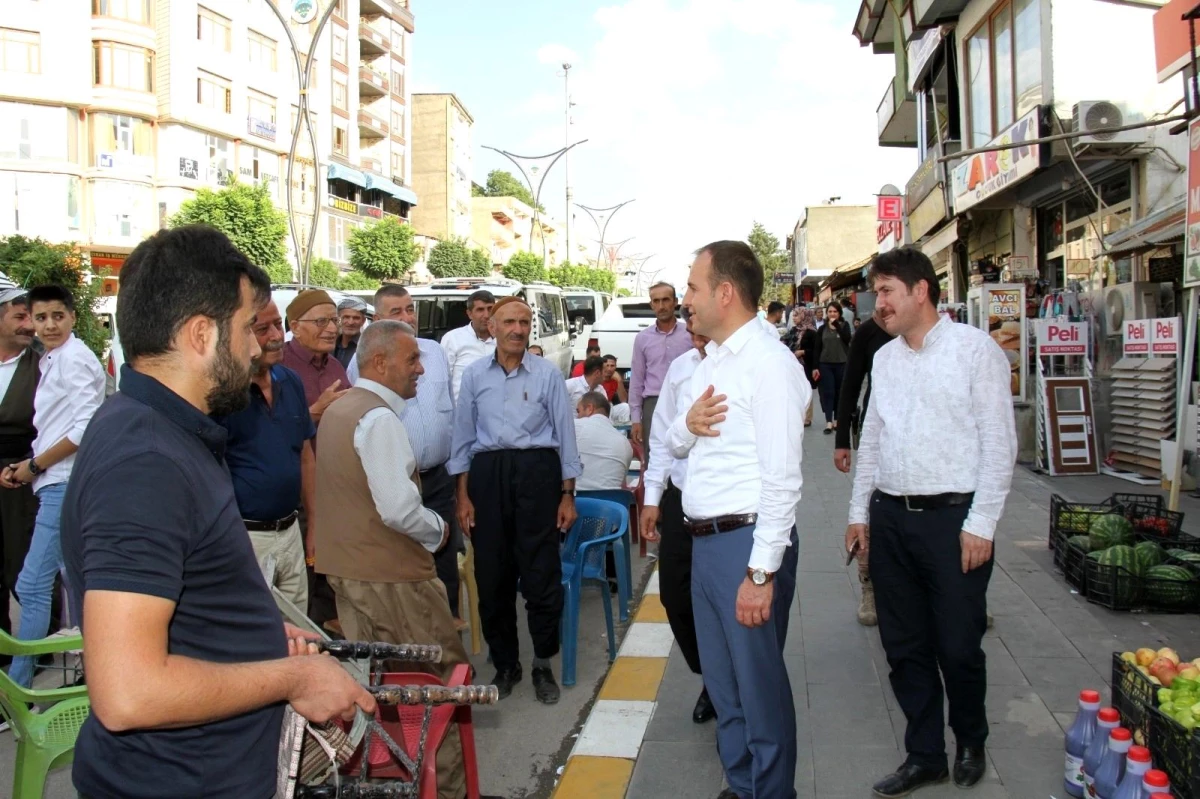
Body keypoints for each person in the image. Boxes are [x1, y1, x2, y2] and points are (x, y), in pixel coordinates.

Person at [60, 225, 374, 799]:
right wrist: (294, 675)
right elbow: (128, 691)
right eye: (245, 328)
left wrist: (244, 634)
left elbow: (178, 602)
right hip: (183, 780)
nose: (257, 347)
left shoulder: (163, 430)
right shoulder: (145, 461)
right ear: (202, 335)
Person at [845, 247, 1016, 797]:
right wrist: (858, 514)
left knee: (959, 643)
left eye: (888, 290)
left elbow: (998, 443)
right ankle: (925, 755)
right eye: (876, 292)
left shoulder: (976, 352)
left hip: (953, 522)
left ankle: (970, 739)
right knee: (904, 644)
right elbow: (871, 438)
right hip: (890, 518)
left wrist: (982, 523)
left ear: (922, 290)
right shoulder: (886, 358)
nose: (879, 303)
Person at [667, 241, 807, 799]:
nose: (685, 300)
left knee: (758, 691)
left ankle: (772, 792)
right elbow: (676, 442)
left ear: (725, 293)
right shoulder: (715, 362)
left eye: (693, 288)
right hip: (705, 541)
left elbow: (783, 479)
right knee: (725, 689)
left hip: (746, 542)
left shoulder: (768, 365)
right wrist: (685, 426)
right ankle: (743, 783)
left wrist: (760, 574)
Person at [315, 320, 469, 799]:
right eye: (412, 360)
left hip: (353, 574)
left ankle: (399, 782)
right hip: (393, 579)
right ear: (379, 362)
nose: (420, 369)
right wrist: (439, 531)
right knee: (434, 688)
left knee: (378, 690)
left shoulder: (340, 409)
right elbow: (399, 509)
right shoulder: (378, 418)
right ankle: (444, 789)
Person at [449, 296, 581, 704]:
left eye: (524, 322)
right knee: (492, 576)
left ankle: (542, 661)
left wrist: (567, 495)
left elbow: (566, 437)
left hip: (537, 475)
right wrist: (463, 497)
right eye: (509, 321)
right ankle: (506, 663)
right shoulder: (474, 376)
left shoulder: (547, 375)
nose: (518, 329)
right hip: (488, 477)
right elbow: (462, 440)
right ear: (492, 327)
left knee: (541, 575)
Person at [2, 285, 106, 688]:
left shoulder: (74, 359)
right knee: (74, 579)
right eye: (40, 317)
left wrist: (34, 465)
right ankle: (87, 676)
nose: (48, 325)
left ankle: (19, 688)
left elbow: (85, 427)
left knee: (32, 584)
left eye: (56, 316)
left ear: (73, 317)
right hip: (53, 480)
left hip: (63, 481)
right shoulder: (52, 358)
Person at [347, 285, 462, 619]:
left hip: (438, 480)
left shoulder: (435, 352)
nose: (407, 318)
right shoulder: (364, 362)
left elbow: (449, 412)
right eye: (396, 312)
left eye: (410, 310)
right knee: (404, 566)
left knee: (444, 567)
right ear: (377, 321)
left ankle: (448, 647)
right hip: (396, 481)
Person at [218, 299, 315, 610]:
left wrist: (314, 524)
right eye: (263, 328)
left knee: (298, 633)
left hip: (291, 533)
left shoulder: (291, 381)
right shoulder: (222, 395)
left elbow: (305, 456)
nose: (277, 335)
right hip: (246, 539)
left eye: (279, 324)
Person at [640, 313, 713, 724]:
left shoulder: (746, 363)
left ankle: (722, 686)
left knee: (722, 604)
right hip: (680, 499)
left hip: (729, 508)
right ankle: (709, 673)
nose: (695, 329)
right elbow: (662, 437)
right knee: (674, 595)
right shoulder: (681, 370)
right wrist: (653, 497)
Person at [0, 287, 41, 666]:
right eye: (19, 317)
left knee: (26, 565)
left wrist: (28, 466)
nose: (30, 325)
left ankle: (39, 645)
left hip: (23, 477)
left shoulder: (41, 363)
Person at [629, 282, 691, 454]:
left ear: (675, 302)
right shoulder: (642, 338)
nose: (661, 306)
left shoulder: (690, 334)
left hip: (685, 401)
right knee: (654, 454)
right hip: (653, 404)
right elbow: (637, 380)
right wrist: (636, 419)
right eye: (656, 301)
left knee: (686, 454)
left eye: (665, 300)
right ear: (651, 304)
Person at [283, 289, 350, 427]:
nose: (333, 329)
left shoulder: (335, 366)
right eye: (321, 321)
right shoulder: (278, 365)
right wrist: (315, 411)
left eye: (335, 320)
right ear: (295, 327)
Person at [441, 289, 495, 401]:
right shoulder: (453, 339)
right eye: (480, 310)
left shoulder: (504, 339)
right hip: (463, 413)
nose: (486, 315)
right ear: (469, 314)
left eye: (490, 309)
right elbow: (443, 379)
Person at [574, 392, 633, 491]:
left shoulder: (576, 426)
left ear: (589, 408)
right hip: (613, 503)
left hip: (578, 501)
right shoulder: (625, 444)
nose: (577, 416)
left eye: (578, 411)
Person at [813, 301, 852, 435]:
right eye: (830, 311)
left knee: (839, 393)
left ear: (839, 313)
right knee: (828, 393)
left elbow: (847, 339)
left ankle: (837, 420)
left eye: (835, 311)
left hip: (842, 363)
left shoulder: (844, 325)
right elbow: (817, 348)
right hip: (825, 364)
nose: (832, 314)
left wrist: (837, 326)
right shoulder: (822, 329)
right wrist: (815, 367)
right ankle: (828, 422)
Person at [788, 307, 820, 428]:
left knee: (806, 390)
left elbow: (816, 350)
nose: (794, 318)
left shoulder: (812, 332)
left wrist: (803, 352)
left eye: (796, 315)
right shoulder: (793, 330)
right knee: (795, 390)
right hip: (794, 365)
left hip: (807, 365)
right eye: (794, 315)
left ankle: (807, 417)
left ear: (804, 316)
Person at [333, 297, 368, 369]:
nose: (350, 322)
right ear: (338, 319)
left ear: (363, 321)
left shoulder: (367, 348)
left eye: (356, 318)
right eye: (346, 317)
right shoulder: (330, 345)